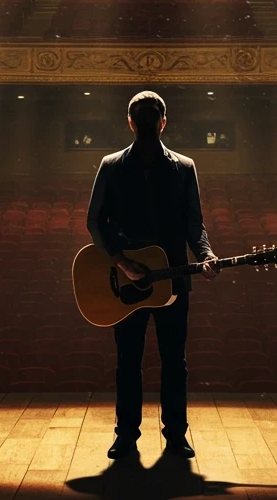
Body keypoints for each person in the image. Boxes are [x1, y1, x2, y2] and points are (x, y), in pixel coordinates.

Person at [86, 90, 218, 460]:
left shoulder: (184, 167)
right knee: (129, 361)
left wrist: (205, 255)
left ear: (157, 122)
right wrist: (122, 262)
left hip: (173, 279)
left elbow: (195, 224)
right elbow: (94, 221)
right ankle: (126, 435)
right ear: (160, 121)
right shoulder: (111, 165)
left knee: (174, 361)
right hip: (126, 283)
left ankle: (175, 435)